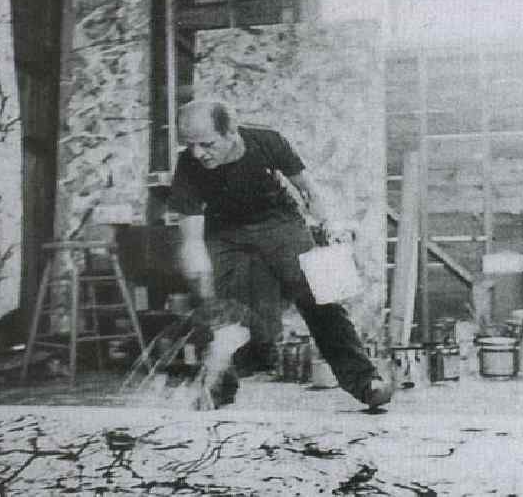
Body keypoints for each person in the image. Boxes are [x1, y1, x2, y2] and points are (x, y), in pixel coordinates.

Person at [167, 99, 393, 409]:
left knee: (320, 299)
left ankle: (365, 382)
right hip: (225, 233)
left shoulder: (268, 141)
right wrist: (201, 276)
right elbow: (192, 237)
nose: (197, 153)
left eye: (207, 144)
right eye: (190, 145)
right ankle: (217, 391)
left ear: (231, 132)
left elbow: (309, 190)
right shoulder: (188, 165)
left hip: (279, 222)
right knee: (222, 311)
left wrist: (329, 224)